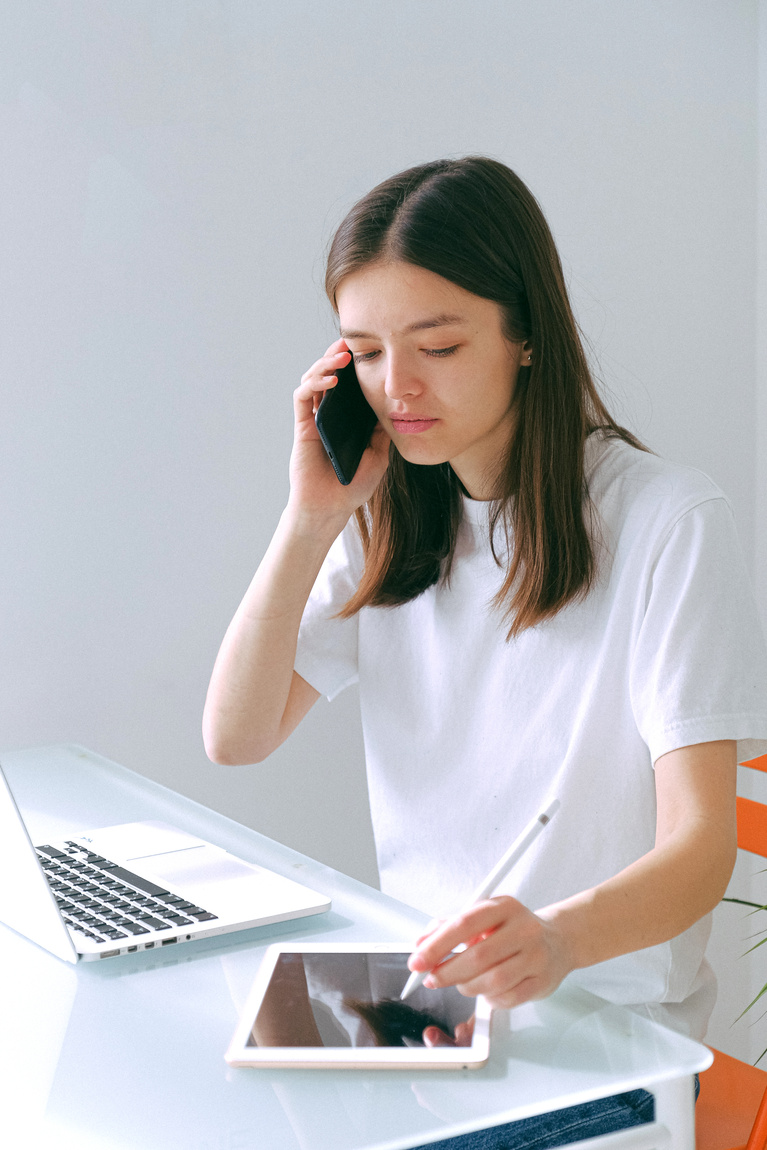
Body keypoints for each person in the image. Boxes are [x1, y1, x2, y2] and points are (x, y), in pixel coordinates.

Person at [203, 156, 767, 1149]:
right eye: (364, 352)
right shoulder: (382, 521)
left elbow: (697, 851)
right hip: (426, 1015)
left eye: (438, 345)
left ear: (524, 335)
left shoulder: (665, 521)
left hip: (603, 1039)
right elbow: (235, 737)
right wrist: (308, 518)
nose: (397, 387)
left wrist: (555, 938)